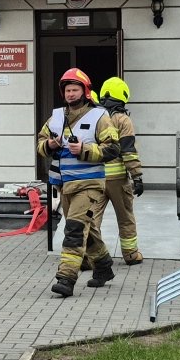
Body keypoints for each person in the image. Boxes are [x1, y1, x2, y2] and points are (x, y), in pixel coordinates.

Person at [37, 68, 122, 297]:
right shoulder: (56, 117)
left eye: (75, 89)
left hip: (89, 184)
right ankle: (103, 266)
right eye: (67, 90)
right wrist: (49, 145)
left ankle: (66, 278)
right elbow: (40, 143)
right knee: (86, 227)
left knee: (74, 229)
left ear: (85, 92)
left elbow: (113, 149)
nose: (70, 94)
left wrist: (85, 149)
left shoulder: (99, 116)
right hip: (64, 185)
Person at [97, 76, 146, 266]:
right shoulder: (123, 120)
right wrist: (137, 176)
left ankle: (90, 256)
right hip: (118, 179)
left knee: (92, 219)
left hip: (96, 178)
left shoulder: (95, 117)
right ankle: (131, 254)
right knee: (125, 218)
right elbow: (128, 151)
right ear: (123, 95)